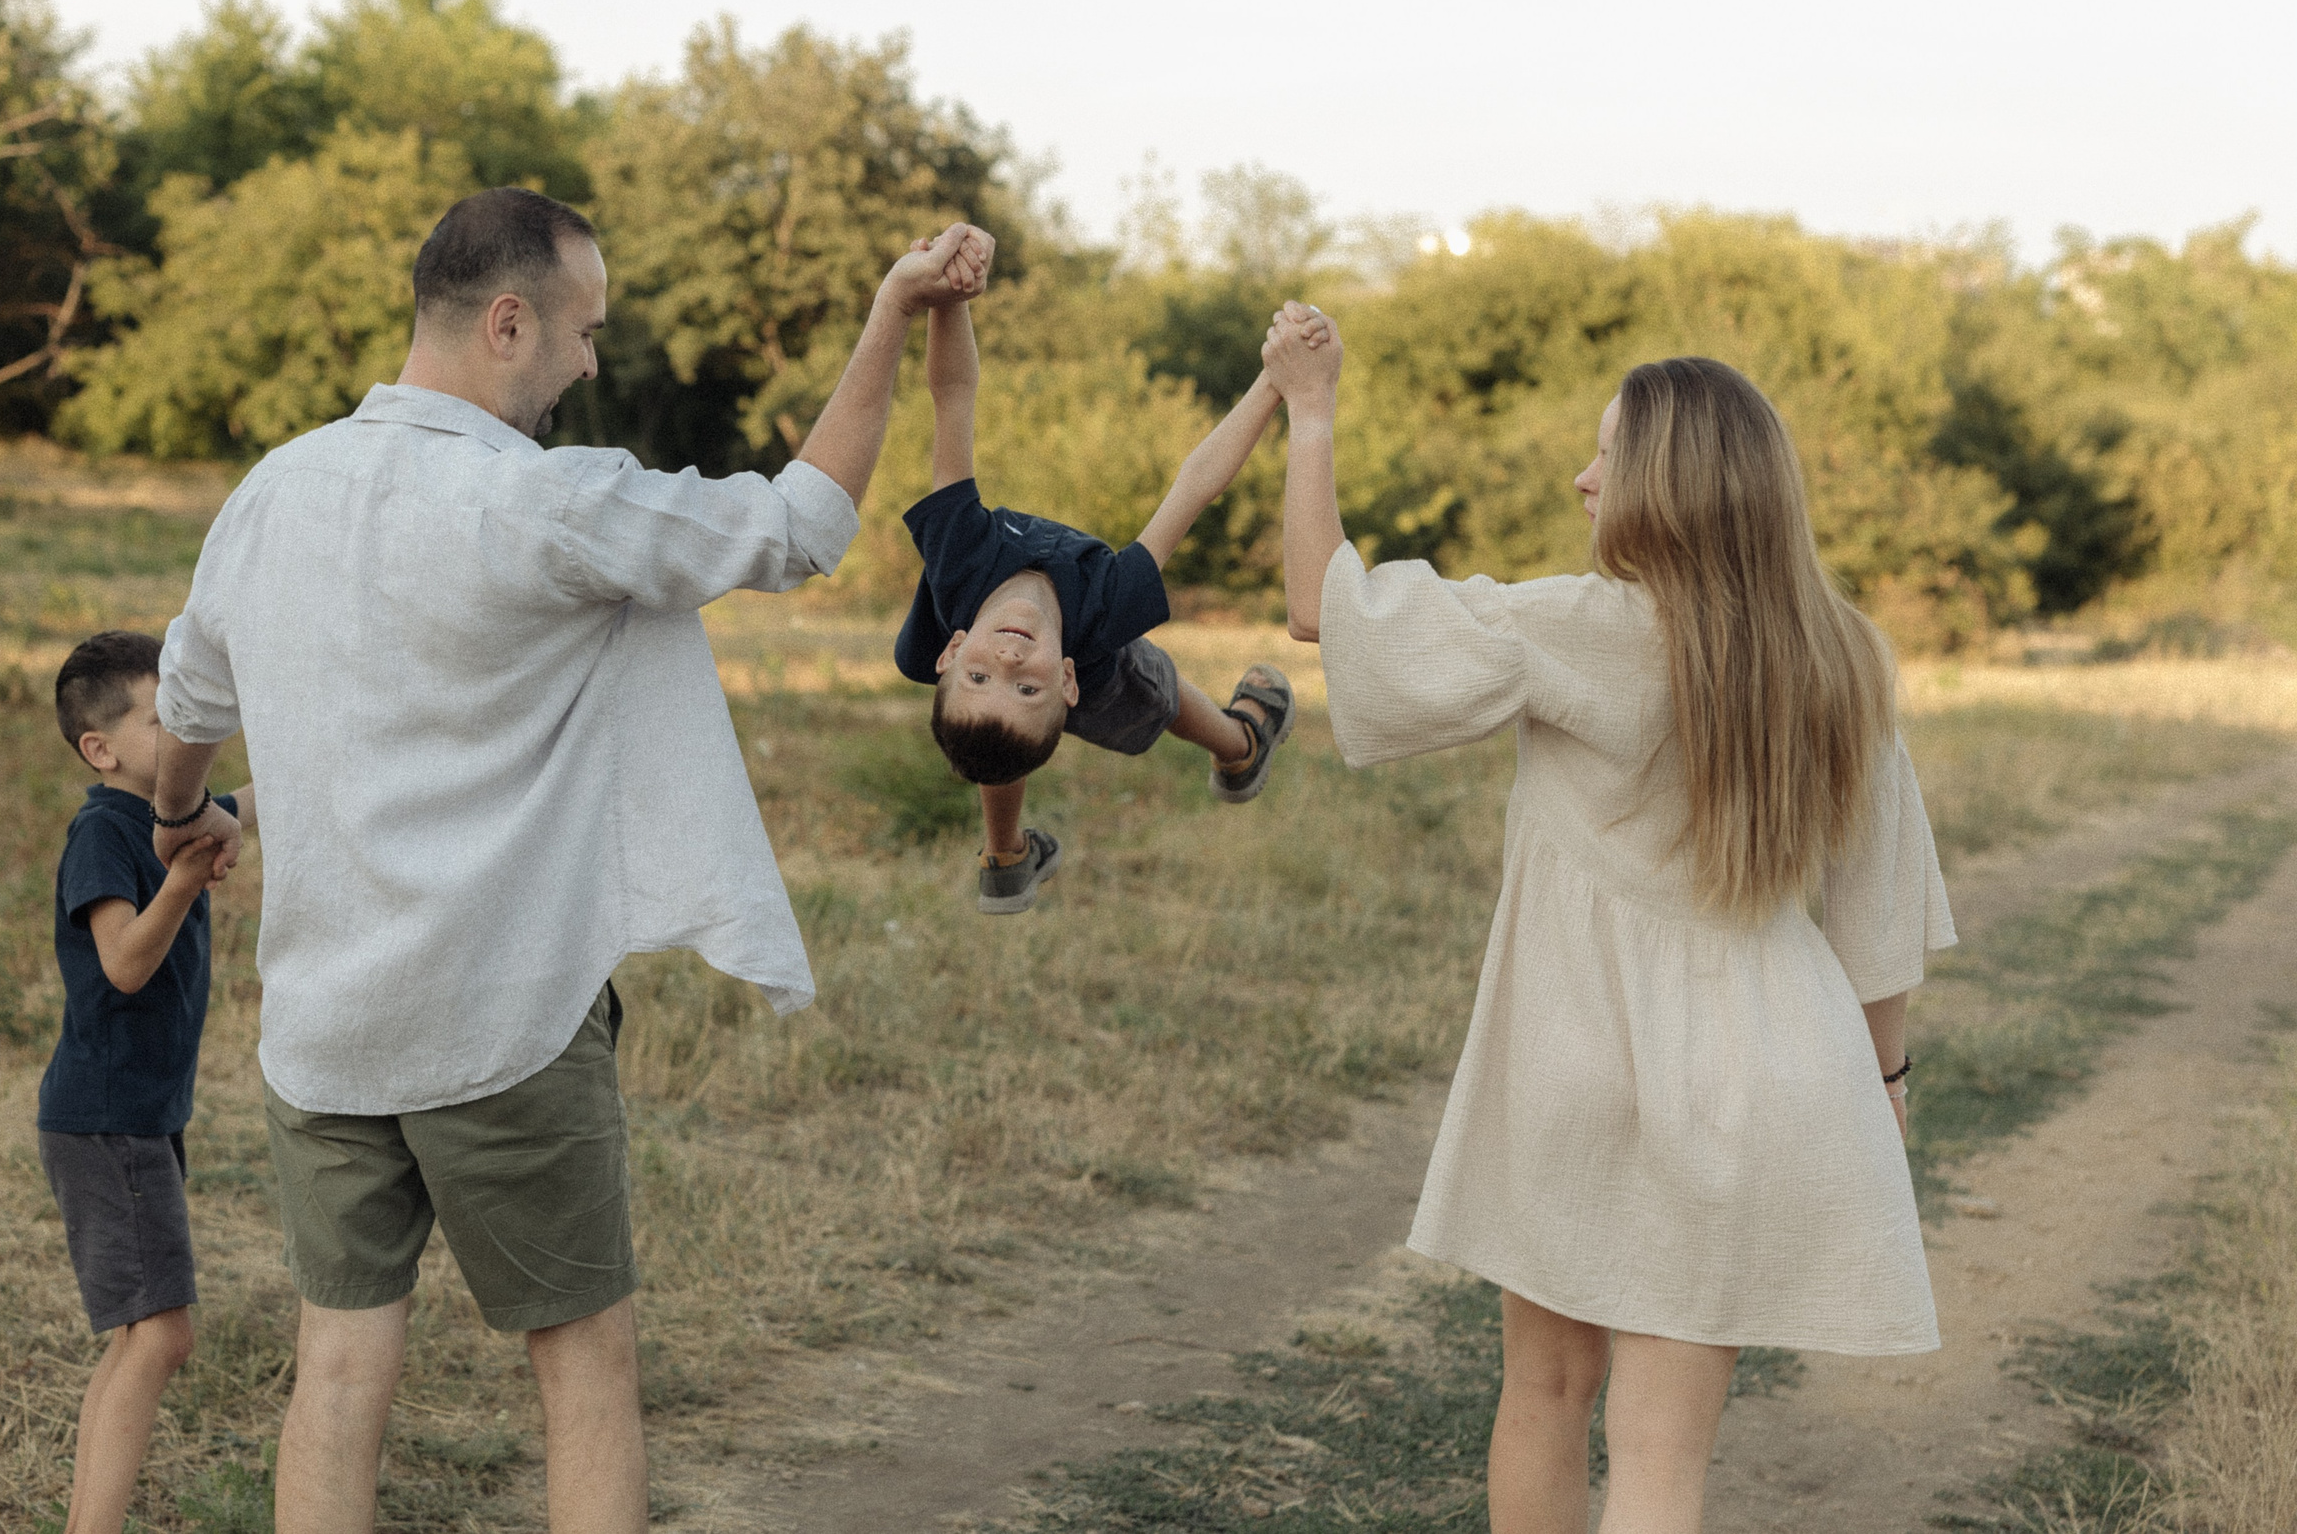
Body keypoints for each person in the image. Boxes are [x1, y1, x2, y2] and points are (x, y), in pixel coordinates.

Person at [142, 186, 993, 1534]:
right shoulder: (546, 502)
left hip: (323, 1029)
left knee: (339, 1371)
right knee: (584, 1363)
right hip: (506, 1017)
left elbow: (189, 695)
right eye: (585, 331)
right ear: (507, 321)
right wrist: (892, 309)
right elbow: (803, 525)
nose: (593, 363)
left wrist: (179, 812)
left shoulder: (269, 492)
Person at [1270, 312, 1952, 1534]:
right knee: (1661, 1458)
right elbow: (1877, 908)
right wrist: (1886, 1079)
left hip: (1572, 1056)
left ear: (1667, 487)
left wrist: (1308, 410)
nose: (1582, 480)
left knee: (1544, 1393)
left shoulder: (1574, 623)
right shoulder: (1845, 656)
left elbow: (1331, 612)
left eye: (1607, 457)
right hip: (1764, 1073)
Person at [895, 290, 1298, 913]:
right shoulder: (1108, 606)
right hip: (1103, 670)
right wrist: (1274, 382)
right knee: (1157, 690)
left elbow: (952, 396)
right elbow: (1196, 486)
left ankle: (1005, 859)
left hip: (1011, 667)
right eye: (1028, 686)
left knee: (997, 732)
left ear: (951, 650)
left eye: (978, 674)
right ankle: (1241, 747)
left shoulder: (959, 553)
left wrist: (950, 298)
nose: (1007, 662)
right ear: (1066, 681)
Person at [38, 630, 252, 1534]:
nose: (187, 730)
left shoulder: (171, 811)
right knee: (163, 1334)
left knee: (138, 1335)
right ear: (102, 748)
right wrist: (185, 880)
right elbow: (123, 962)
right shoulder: (103, 831)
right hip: (108, 1114)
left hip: (136, 1114)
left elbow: (255, 801)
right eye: (165, 719)